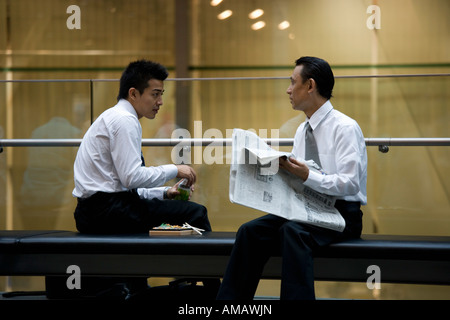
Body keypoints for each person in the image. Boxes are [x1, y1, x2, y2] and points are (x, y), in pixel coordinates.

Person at [217, 56, 367, 300]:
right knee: (249, 231)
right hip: (307, 207)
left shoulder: (345, 127)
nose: (288, 89)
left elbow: (350, 183)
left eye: (292, 82)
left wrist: (309, 176)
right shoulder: (302, 129)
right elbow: (300, 180)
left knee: (293, 231)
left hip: (342, 214)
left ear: (310, 85)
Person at [72, 60, 211, 234]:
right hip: (106, 213)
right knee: (196, 212)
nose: (160, 102)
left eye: (161, 94)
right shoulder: (124, 120)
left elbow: (127, 189)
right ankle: (206, 262)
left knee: (178, 208)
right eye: (155, 94)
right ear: (133, 94)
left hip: (98, 210)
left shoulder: (115, 116)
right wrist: (175, 169)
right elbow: (132, 178)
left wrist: (166, 192)